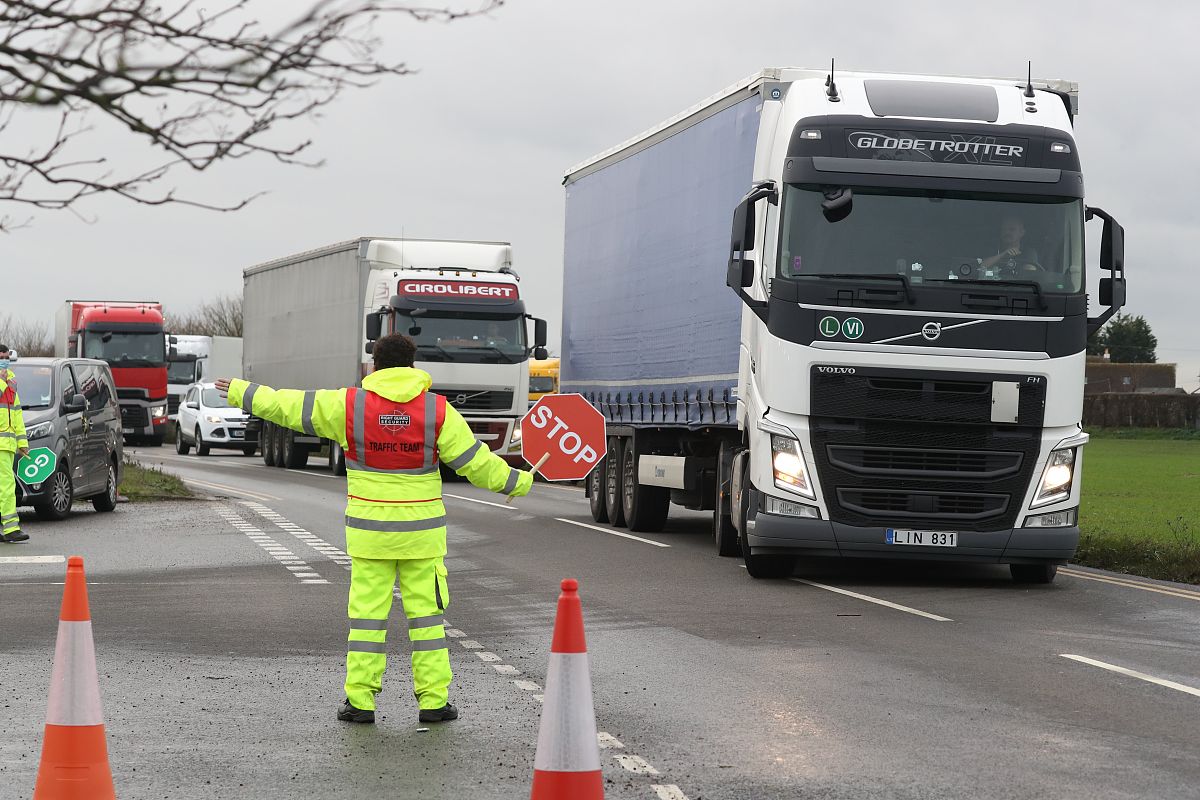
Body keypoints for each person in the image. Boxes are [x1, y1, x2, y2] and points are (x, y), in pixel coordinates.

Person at [215, 334, 533, 725]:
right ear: (413, 366)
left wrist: (243, 392)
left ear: (374, 365)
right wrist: (517, 483)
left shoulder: (349, 405)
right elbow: (475, 462)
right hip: (421, 538)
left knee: (366, 620)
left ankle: (361, 702)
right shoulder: (437, 411)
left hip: (370, 537)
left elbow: (288, 405)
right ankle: (434, 702)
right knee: (428, 622)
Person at [0, 345, 30, 543]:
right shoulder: (5, 383)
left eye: (6, 357)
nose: (4, 361)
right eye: (1, 357)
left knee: (5, 486)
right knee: (6, 485)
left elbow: (17, 415)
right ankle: (11, 529)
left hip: (8, 445)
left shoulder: (11, 382)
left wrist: (23, 442)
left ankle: (8, 529)